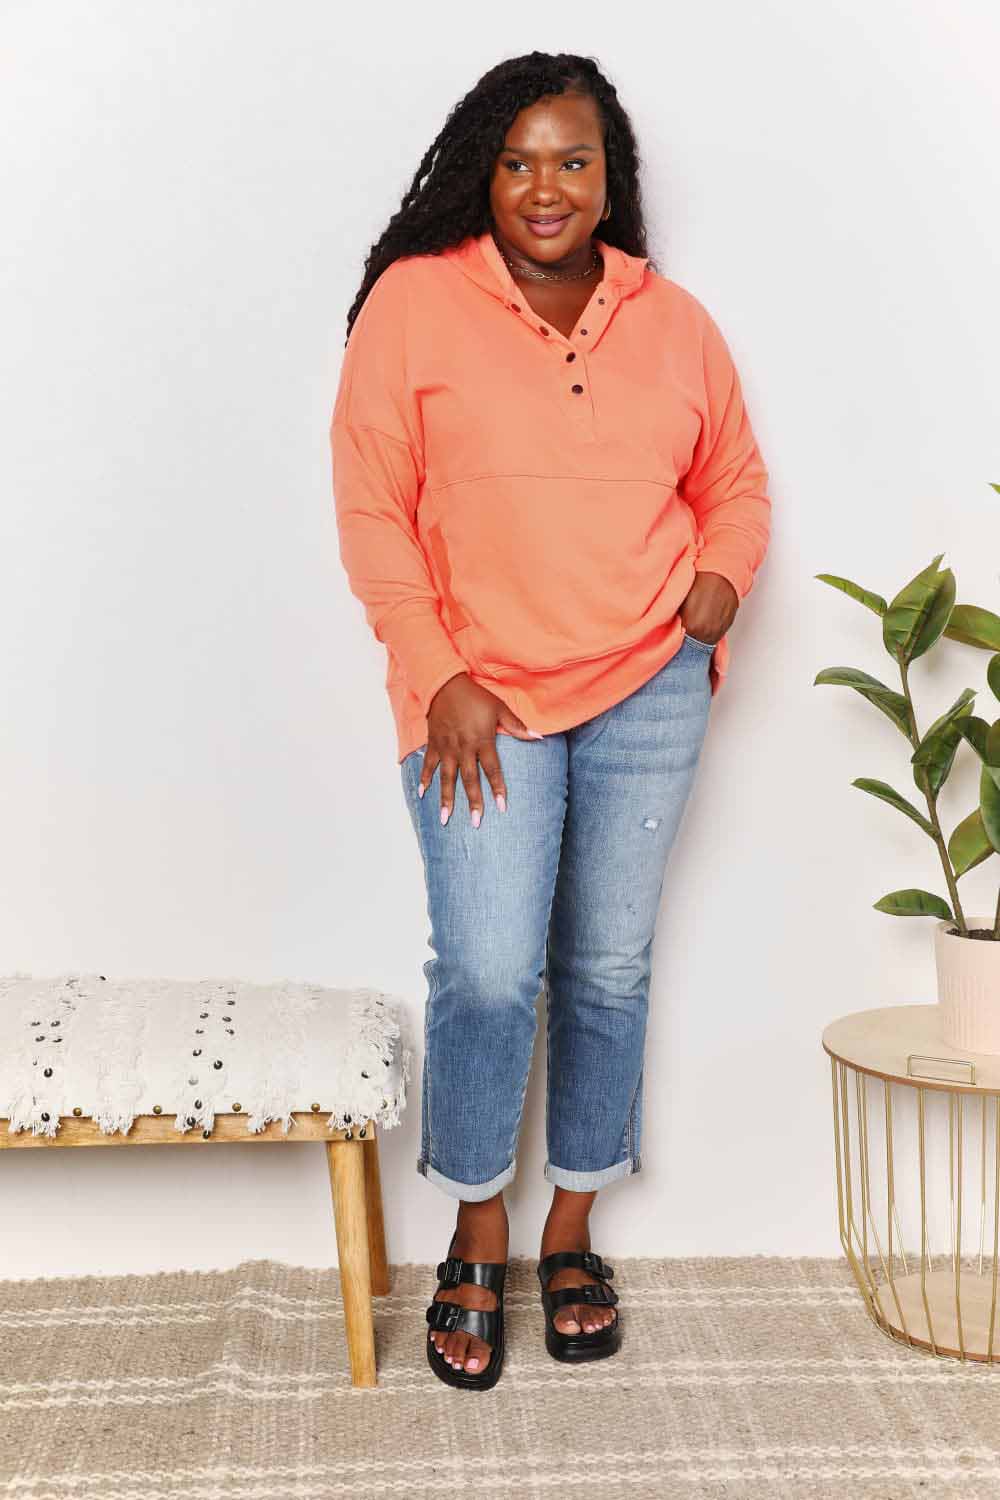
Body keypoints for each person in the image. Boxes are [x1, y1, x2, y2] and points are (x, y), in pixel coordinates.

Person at [330, 50, 771, 1391]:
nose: (544, 187)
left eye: (572, 161)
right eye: (518, 160)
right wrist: (436, 671)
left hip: (649, 684)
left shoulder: (673, 320)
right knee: (486, 971)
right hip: (478, 699)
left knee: (609, 967)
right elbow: (371, 509)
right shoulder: (415, 304)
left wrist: (719, 583)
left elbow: (737, 481)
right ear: (484, 171)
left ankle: (570, 1229)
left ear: (607, 178)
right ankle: (478, 1229)